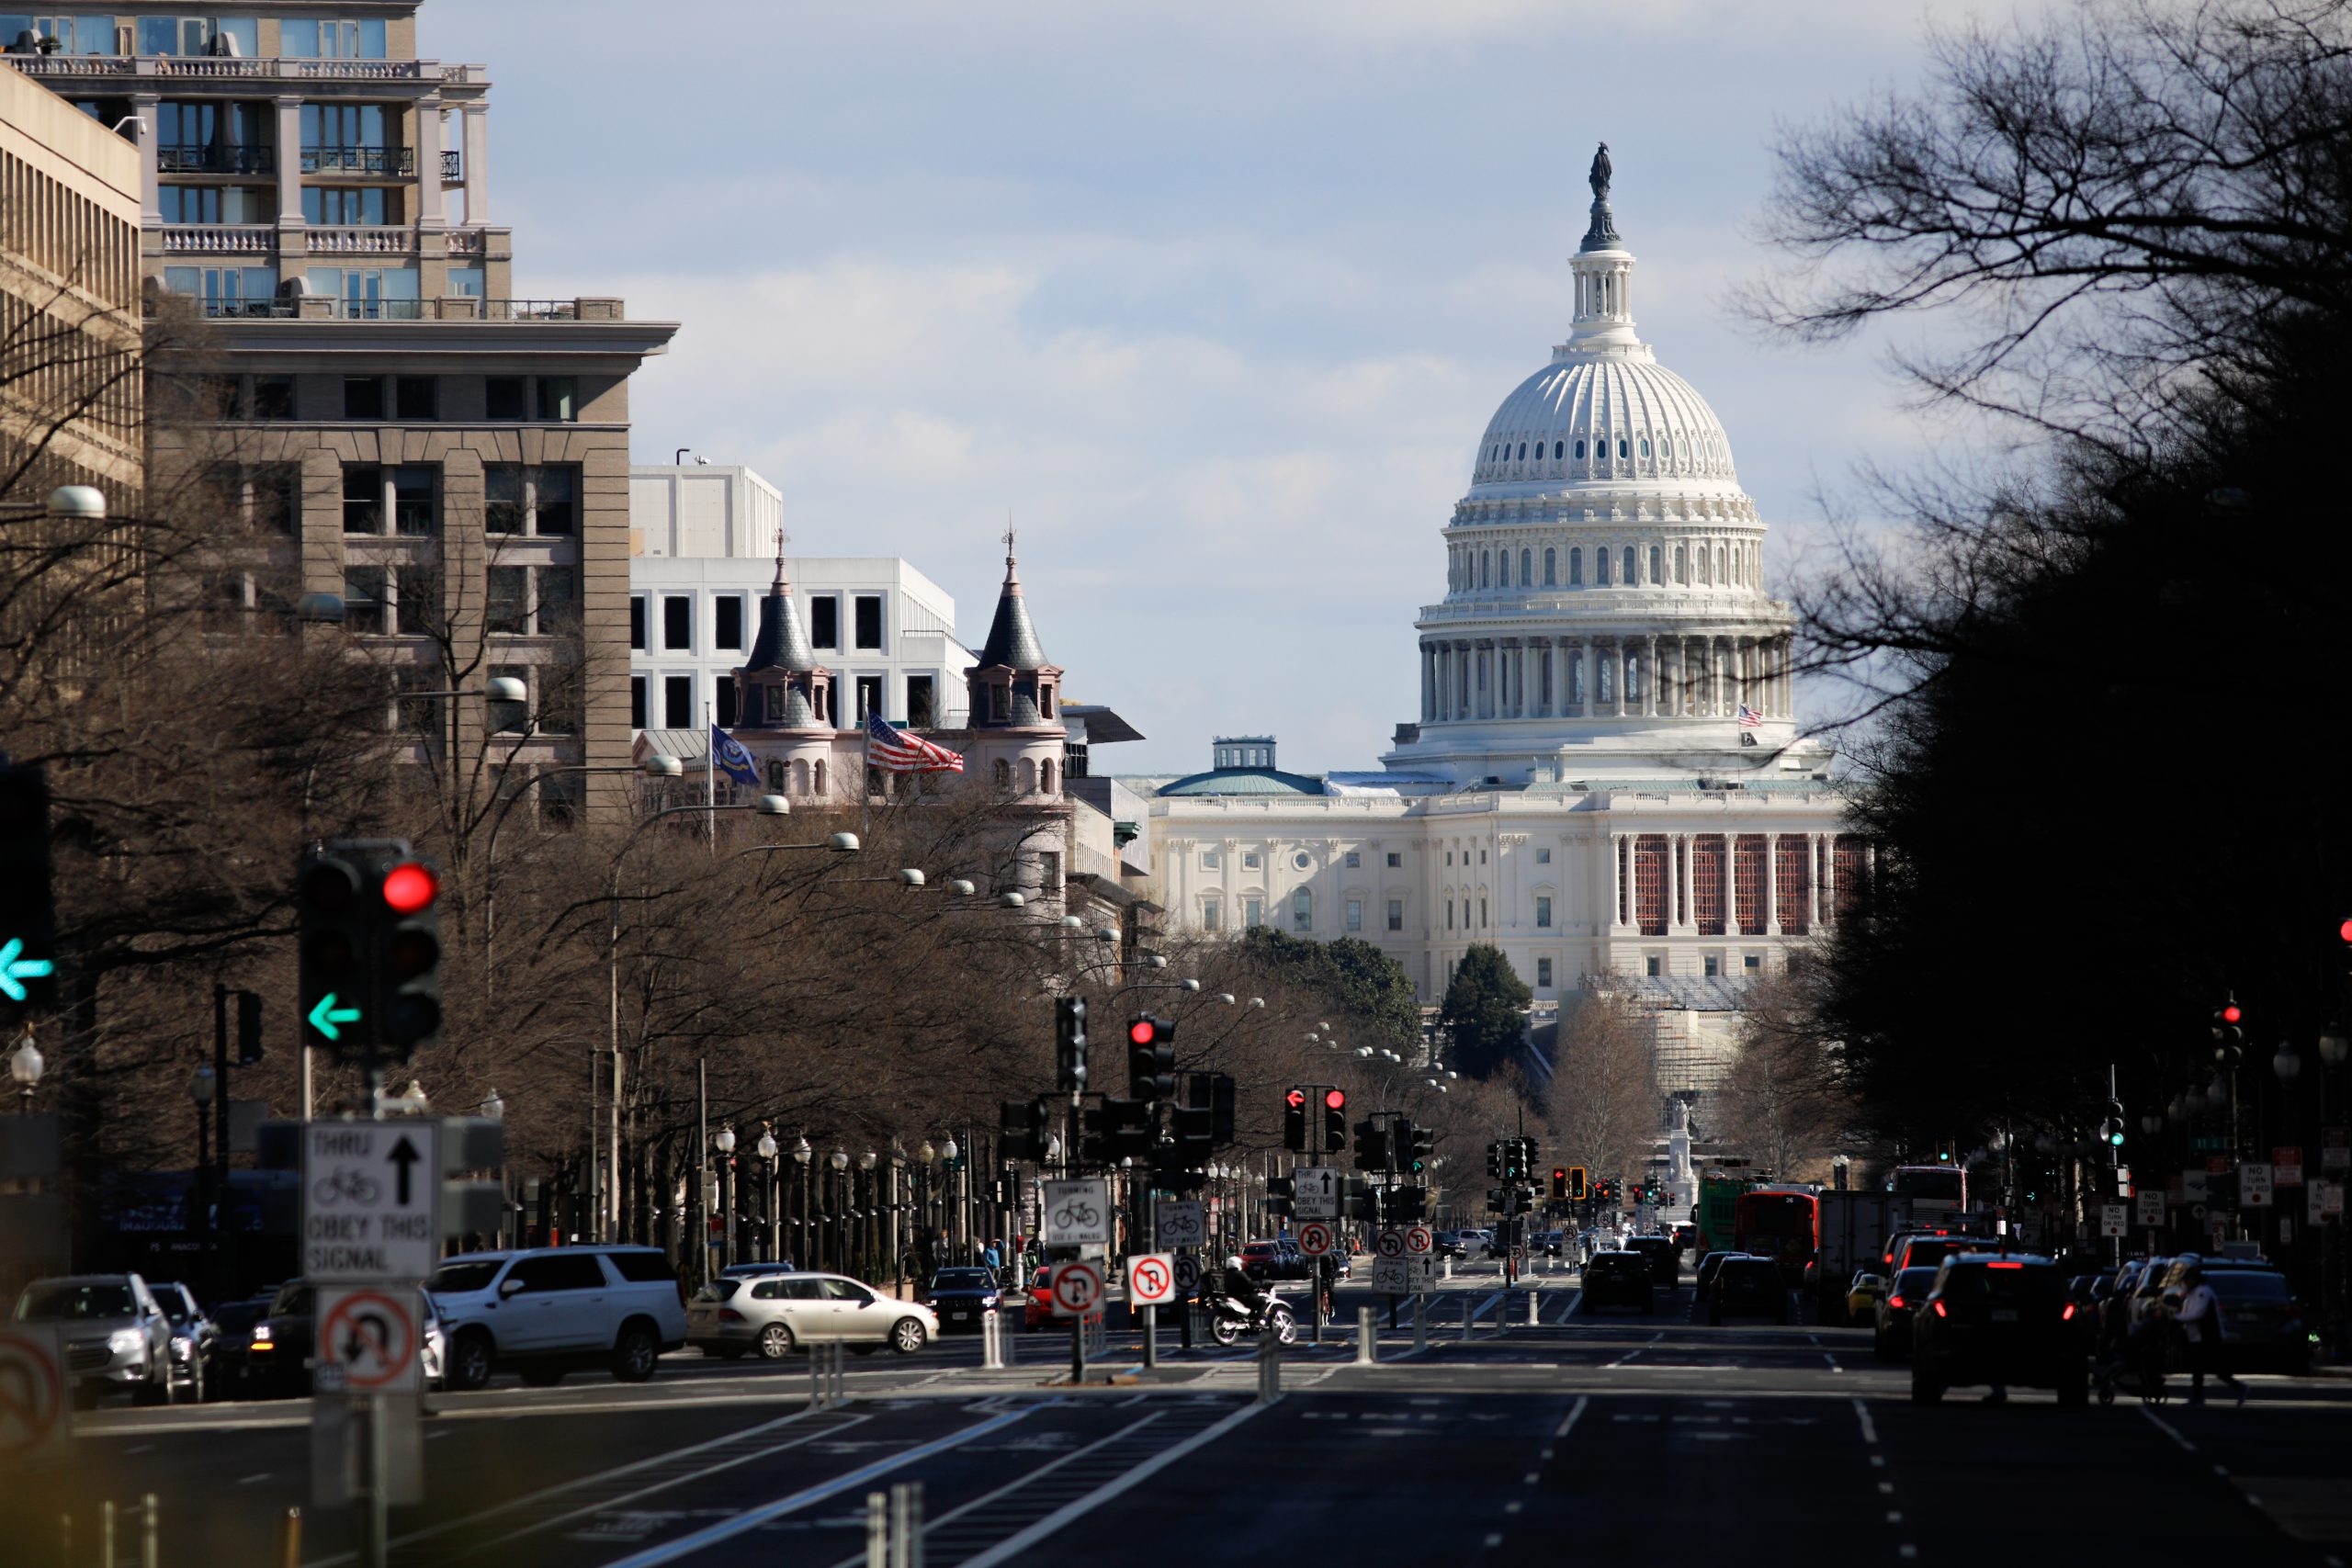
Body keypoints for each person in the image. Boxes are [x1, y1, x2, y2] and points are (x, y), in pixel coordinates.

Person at [2175, 1261, 2246, 1405]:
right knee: (2199, 1368)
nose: (2186, 1284)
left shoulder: (2203, 1292)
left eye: (2188, 1280)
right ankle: (2199, 1396)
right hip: (2196, 1336)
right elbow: (2187, 1310)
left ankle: (2238, 1387)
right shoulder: (2191, 1294)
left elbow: (2198, 1313)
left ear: (2195, 1280)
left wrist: (2177, 1317)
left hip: (2208, 1336)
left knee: (2209, 1367)